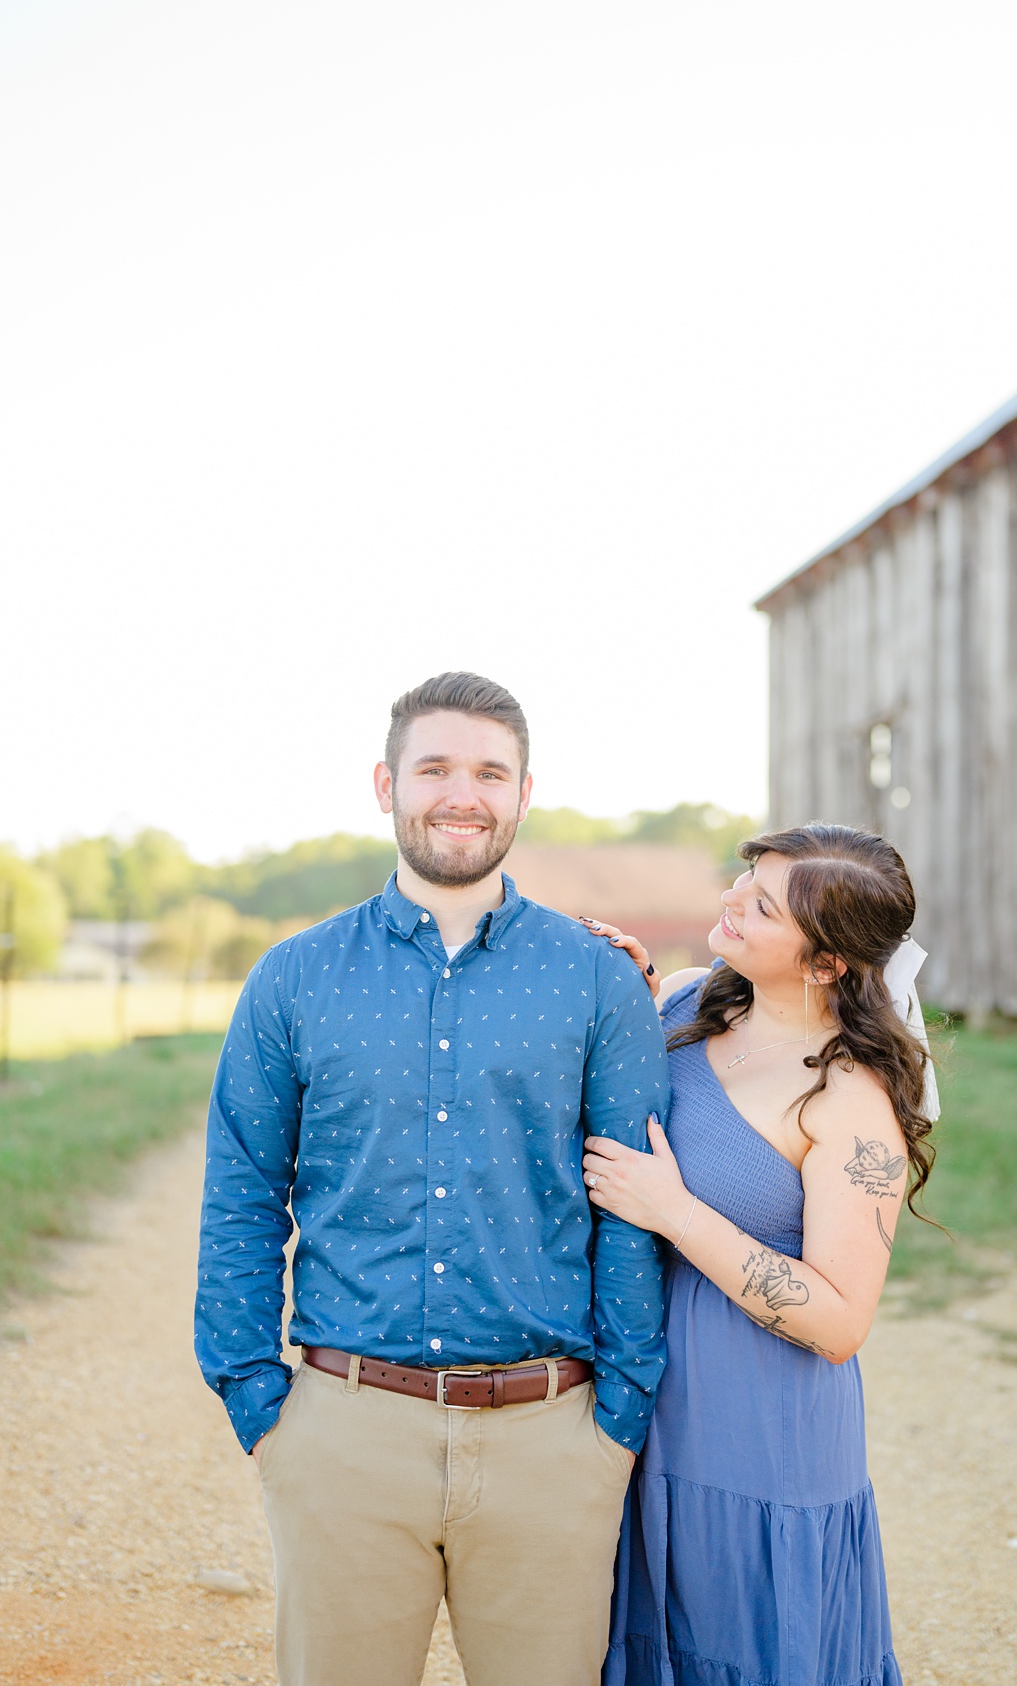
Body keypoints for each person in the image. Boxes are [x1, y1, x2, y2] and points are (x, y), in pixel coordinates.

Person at [194, 671, 670, 1686]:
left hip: (554, 1441)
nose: (465, 793)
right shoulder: (294, 976)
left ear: (525, 792)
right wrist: (255, 1399)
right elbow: (241, 1192)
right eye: (436, 767)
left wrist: (621, 1416)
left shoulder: (595, 980)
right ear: (385, 784)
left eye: (491, 771)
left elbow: (631, 1200)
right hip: (343, 1436)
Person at [578, 823, 934, 1686]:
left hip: (759, 1434)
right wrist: (632, 997)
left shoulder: (847, 1100)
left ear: (825, 964)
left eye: (764, 904)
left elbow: (842, 1319)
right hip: (641, 1395)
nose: (733, 900)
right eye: (746, 879)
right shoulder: (687, 1004)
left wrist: (675, 1213)